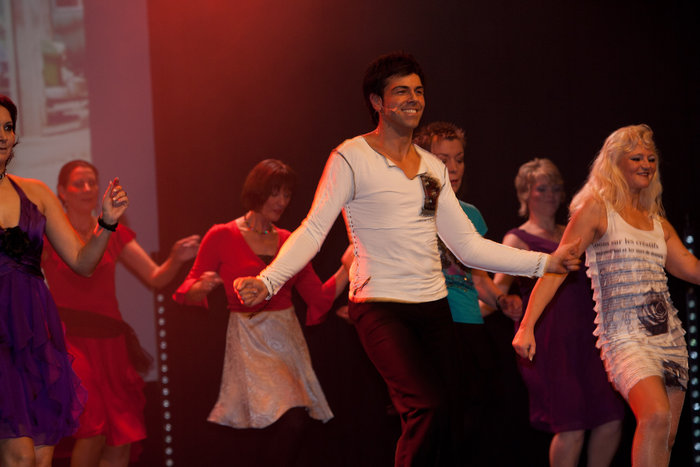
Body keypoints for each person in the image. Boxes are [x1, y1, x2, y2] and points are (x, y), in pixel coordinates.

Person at [234, 52, 581, 467]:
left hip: (433, 309)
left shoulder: (432, 168)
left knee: (450, 417)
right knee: (426, 407)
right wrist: (268, 280)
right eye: (401, 91)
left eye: (418, 91)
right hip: (380, 306)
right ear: (377, 102)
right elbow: (312, 230)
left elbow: (468, 246)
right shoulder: (351, 157)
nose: (414, 99)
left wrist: (547, 262)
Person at [513, 125, 697, 467]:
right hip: (624, 337)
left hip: (669, 338)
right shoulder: (597, 210)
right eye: (636, 158)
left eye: (651, 158)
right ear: (615, 163)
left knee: (667, 434)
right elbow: (557, 268)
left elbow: (690, 268)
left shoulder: (657, 222)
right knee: (655, 415)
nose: (646, 164)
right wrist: (527, 325)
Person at [173, 159, 349, 467]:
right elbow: (187, 290)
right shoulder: (222, 235)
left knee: (293, 420)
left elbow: (318, 297)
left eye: (287, 195)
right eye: (275, 193)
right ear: (257, 192)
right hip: (249, 339)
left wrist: (349, 266)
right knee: (277, 423)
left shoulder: (289, 241)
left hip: (287, 338)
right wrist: (201, 287)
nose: (282, 201)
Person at [40, 160, 200, 467]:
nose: (87, 189)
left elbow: (156, 277)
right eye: (78, 183)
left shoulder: (113, 232)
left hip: (111, 343)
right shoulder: (50, 235)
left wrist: (176, 258)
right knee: (93, 428)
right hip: (70, 342)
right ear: (61, 191)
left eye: (92, 182)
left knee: (122, 435)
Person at [0, 95, 128, 467]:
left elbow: (82, 262)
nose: (3, 136)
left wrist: (107, 223)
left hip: (34, 333)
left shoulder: (36, 193)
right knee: (20, 457)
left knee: (41, 459)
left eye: (8, 127)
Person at [495, 158, 624, 466]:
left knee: (611, 418)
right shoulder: (517, 238)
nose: (551, 195)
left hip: (589, 336)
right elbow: (498, 288)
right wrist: (501, 302)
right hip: (548, 340)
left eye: (556, 188)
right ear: (525, 193)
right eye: (542, 188)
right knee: (571, 426)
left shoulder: (573, 231)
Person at [413, 121, 523, 463]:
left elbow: (478, 279)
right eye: (443, 159)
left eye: (459, 159)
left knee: (475, 420)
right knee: (436, 421)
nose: (454, 167)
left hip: (469, 325)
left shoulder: (471, 214)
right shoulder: (411, 210)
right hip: (431, 325)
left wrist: (501, 300)